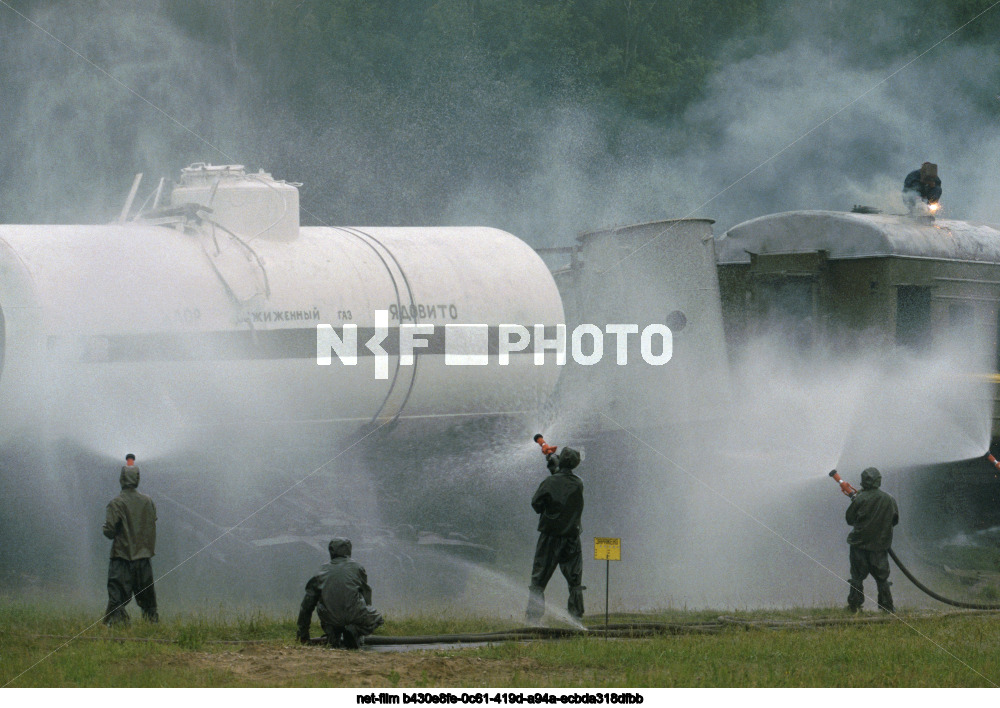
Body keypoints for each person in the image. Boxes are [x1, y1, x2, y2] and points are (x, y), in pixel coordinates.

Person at [526, 446, 585, 624]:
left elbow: (536, 504)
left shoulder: (549, 482)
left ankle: (533, 619)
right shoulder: (578, 483)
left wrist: (553, 472)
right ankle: (576, 617)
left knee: (539, 579)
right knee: (575, 580)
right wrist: (556, 469)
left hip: (549, 538)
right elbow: (564, 483)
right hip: (572, 539)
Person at [297, 538, 384, 649]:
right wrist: (362, 612)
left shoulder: (321, 571)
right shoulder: (358, 568)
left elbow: (306, 606)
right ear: (349, 550)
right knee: (378, 618)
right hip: (354, 615)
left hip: (330, 619)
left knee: (320, 604)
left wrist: (303, 634)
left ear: (331, 551)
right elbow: (366, 594)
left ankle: (333, 635)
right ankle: (354, 630)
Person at [102, 454, 158, 625]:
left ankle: (118, 631)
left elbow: (110, 532)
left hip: (122, 558)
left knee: (117, 599)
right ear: (137, 479)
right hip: (143, 559)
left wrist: (105, 528)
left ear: (121, 479)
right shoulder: (148, 502)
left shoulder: (116, 503)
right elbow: (151, 522)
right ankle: (152, 630)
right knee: (148, 602)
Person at [845, 467, 899, 613]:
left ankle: (854, 607)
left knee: (857, 576)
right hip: (879, 547)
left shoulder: (859, 499)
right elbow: (894, 520)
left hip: (859, 545)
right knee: (882, 578)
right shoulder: (889, 499)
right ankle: (887, 607)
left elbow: (849, 519)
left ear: (864, 481)